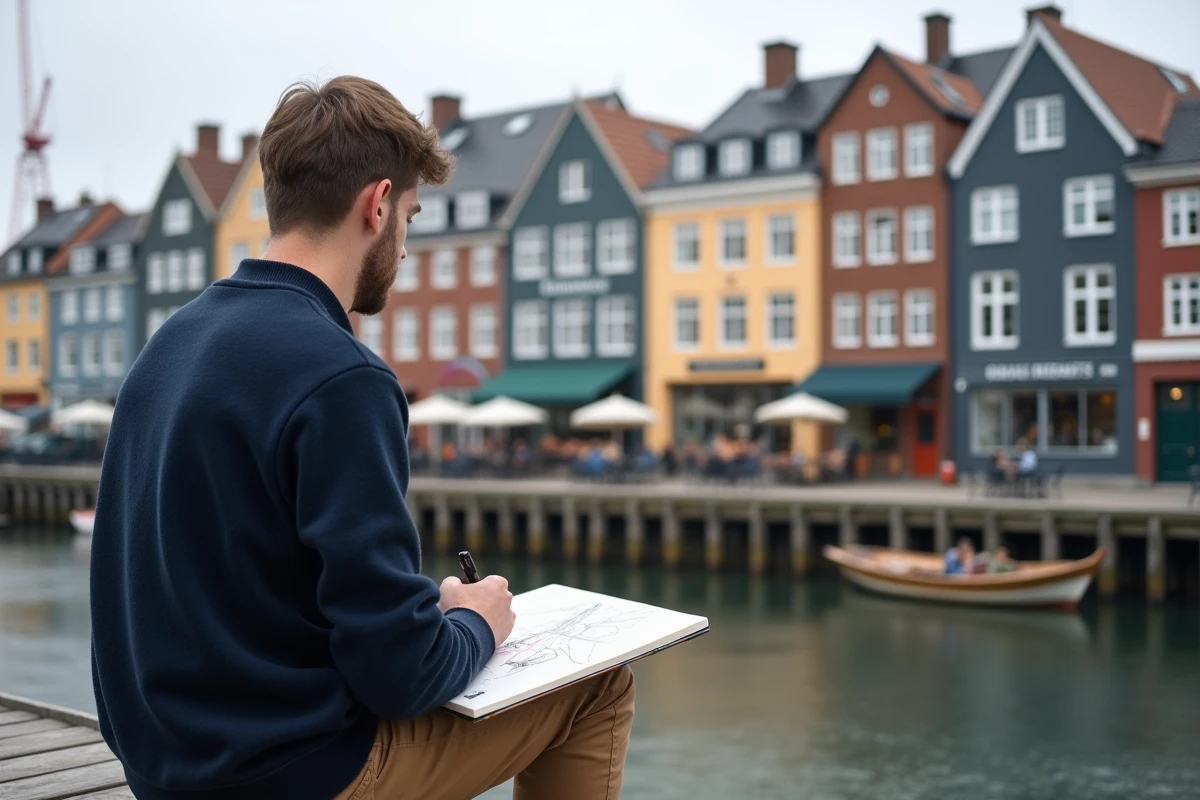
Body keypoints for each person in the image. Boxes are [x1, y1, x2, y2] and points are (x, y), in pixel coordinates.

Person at [89, 77, 634, 800]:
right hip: (286, 776)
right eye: (410, 216)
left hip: (164, 771)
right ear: (377, 205)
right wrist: (476, 622)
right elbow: (401, 675)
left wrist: (426, 617)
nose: (405, 248)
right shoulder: (342, 375)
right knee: (598, 685)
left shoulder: (169, 345)